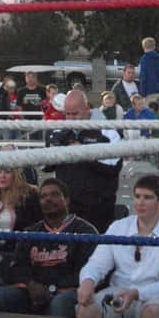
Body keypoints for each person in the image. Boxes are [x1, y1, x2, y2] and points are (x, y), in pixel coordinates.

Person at [76, 175, 159, 318]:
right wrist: (87, 282)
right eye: (137, 196)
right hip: (120, 291)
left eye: (147, 197)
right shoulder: (118, 227)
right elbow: (97, 264)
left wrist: (136, 293)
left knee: (152, 312)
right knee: (87, 309)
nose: (140, 202)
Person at [0, 178, 98, 317]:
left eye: (54, 194)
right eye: (43, 196)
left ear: (66, 200)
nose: (48, 199)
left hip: (67, 292)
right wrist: (31, 285)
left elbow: (89, 270)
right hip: (33, 292)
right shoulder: (31, 232)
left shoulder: (85, 231)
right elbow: (17, 268)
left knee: (59, 304)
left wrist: (51, 288)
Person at [43, 90, 122, 233]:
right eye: (68, 114)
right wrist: (61, 150)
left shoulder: (107, 132)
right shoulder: (58, 132)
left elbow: (113, 167)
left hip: (98, 210)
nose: (71, 119)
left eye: (75, 114)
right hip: (66, 209)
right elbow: (45, 165)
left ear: (87, 109)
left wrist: (83, 153)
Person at [0, 167, 43, 276]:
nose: (2, 176)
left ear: (16, 174)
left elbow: (36, 228)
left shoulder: (29, 197)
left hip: (15, 256)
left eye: (7, 171)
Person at [138, 38, 159, 116]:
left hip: (149, 92)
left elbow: (143, 76)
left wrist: (142, 93)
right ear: (154, 47)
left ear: (143, 47)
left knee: (148, 115)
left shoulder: (144, 59)